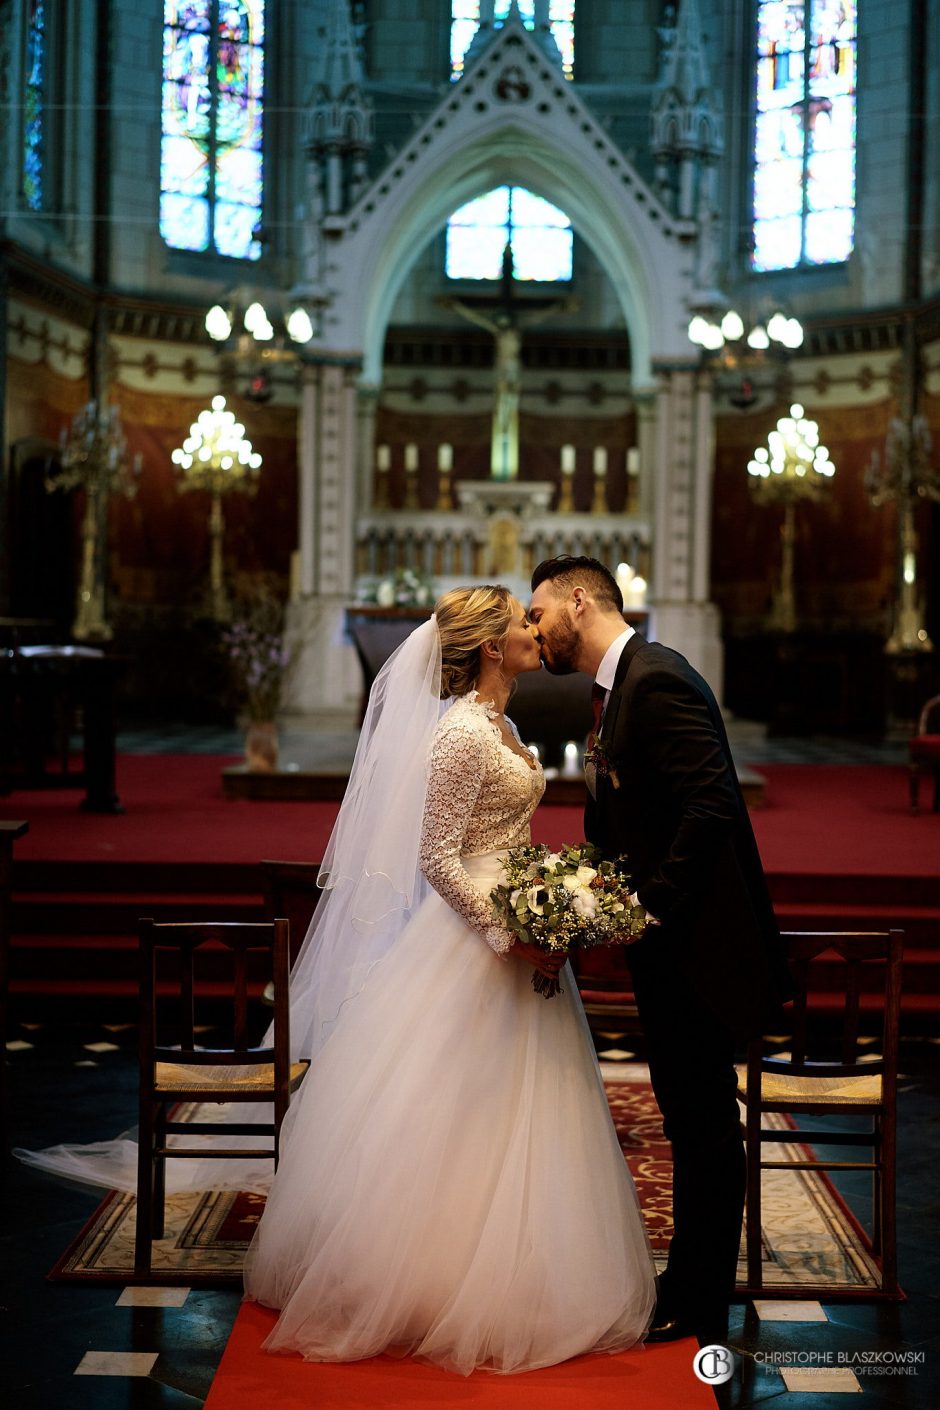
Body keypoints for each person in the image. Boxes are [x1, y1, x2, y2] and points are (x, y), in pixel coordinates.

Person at [242, 585, 656, 1374]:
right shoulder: (461, 733)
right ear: (492, 648)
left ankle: (527, 1267)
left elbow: (495, 836)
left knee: (529, 1110)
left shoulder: (501, 721)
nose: (535, 629)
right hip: (477, 942)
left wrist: (552, 904)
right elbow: (436, 859)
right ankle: (432, 1278)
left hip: (519, 929)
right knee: (455, 1109)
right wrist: (508, 931)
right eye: (520, 622)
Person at [528, 557, 792, 1348]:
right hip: (669, 947)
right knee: (686, 1117)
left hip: (699, 947)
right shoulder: (620, 686)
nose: (535, 629)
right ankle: (684, 1280)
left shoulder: (658, 679)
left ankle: (702, 1301)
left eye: (539, 611)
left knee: (705, 1124)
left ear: (581, 599)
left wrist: (644, 908)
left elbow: (711, 805)